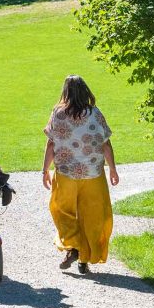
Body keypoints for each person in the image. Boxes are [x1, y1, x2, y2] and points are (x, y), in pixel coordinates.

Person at [42, 75, 119, 274]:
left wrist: (45, 170)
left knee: (60, 209)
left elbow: (51, 144)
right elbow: (106, 144)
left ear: (65, 92)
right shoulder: (95, 113)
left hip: (66, 173)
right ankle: (84, 257)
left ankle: (74, 246)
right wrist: (112, 169)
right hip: (93, 174)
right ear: (85, 91)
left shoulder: (58, 114)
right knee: (92, 217)